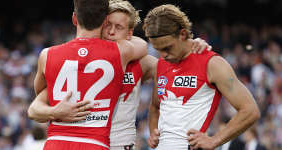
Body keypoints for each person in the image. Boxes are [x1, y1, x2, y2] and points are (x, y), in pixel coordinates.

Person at [29, 1, 210, 150]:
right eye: (108, 25)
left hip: (120, 144)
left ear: (129, 33)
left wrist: (190, 46)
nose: (111, 31)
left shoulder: (140, 62)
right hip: (94, 141)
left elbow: (179, 67)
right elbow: (37, 105)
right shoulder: (86, 60)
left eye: (119, 27)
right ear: (102, 23)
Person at [32, 0, 148, 149]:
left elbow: (38, 101)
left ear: (74, 18)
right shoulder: (121, 52)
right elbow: (143, 46)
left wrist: (54, 111)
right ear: (105, 21)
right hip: (95, 142)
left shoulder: (47, 55)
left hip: (57, 141)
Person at [143, 4, 260, 150]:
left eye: (167, 48)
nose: (163, 55)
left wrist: (214, 140)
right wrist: (153, 130)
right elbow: (155, 107)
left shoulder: (212, 64)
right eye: (158, 50)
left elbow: (250, 110)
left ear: (183, 34)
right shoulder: (161, 64)